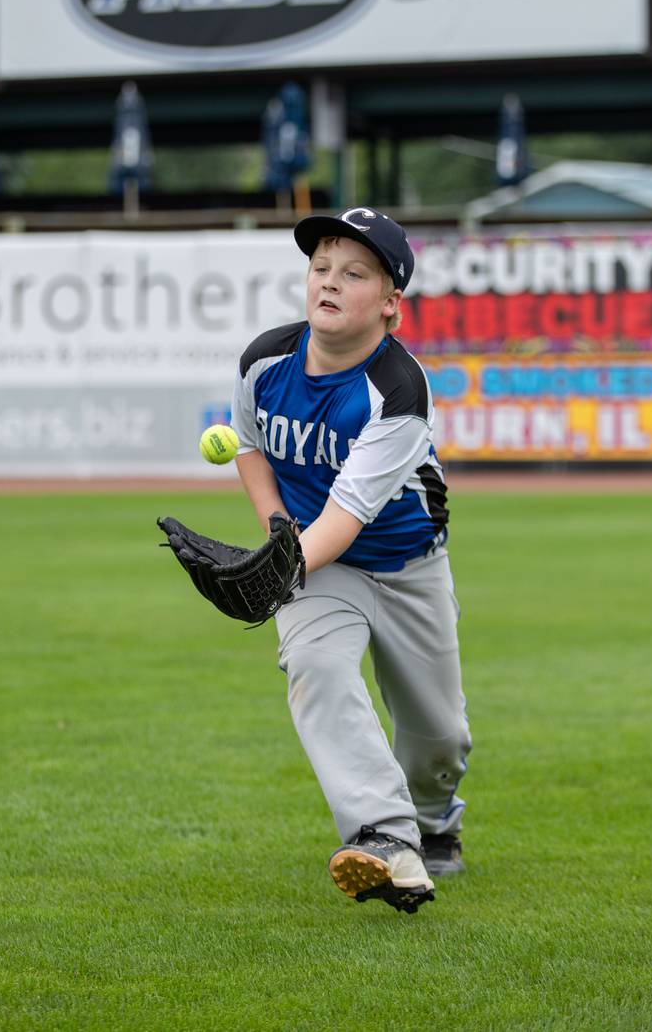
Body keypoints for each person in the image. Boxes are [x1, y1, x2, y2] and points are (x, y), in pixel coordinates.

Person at [231, 206, 471, 914]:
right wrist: (278, 533)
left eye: (355, 273)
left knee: (439, 737)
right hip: (321, 567)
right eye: (321, 268)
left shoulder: (399, 391)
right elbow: (248, 446)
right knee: (316, 670)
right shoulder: (264, 361)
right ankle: (385, 838)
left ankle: (432, 823)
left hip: (406, 566)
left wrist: (280, 564)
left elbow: (348, 513)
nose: (329, 282)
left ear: (391, 305)